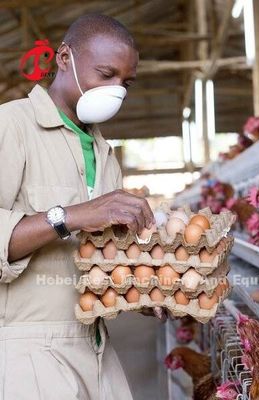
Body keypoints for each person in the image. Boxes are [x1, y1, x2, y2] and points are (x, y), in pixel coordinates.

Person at [0, 14, 153, 400]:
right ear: (65, 57)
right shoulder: (12, 125)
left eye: (126, 82)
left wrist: (144, 290)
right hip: (26, 349)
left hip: (95, 344)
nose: (116, 90)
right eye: (106, 74)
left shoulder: (104, 153)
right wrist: (71, 215)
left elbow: (102, 258)